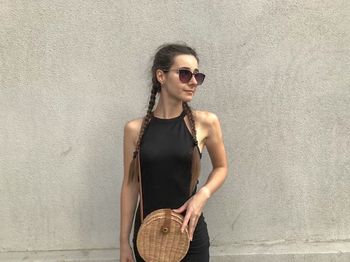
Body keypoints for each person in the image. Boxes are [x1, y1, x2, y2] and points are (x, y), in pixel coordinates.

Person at [119, 42, 228, 262]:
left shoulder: (205, 123)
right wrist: (123, 243)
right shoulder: (134, 130)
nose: (194, 82)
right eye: (185, 74)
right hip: (147, 237)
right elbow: (131, 185)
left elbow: (221, 167)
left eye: (197, 75)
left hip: (190, 234)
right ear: (161, 76)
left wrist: (202, 196)